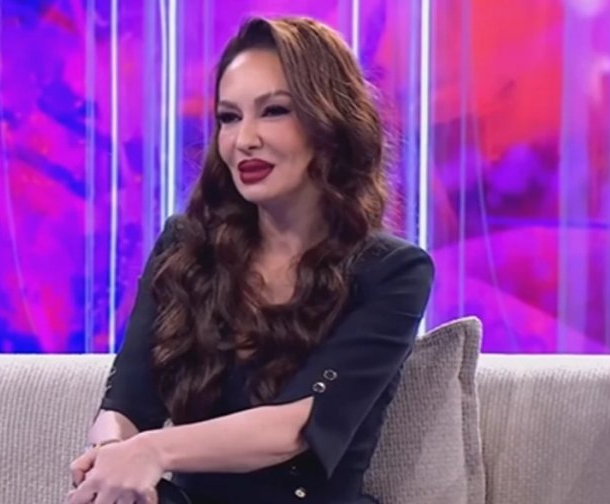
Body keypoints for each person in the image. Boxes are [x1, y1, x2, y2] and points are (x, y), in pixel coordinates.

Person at [68, 15, 434, 504]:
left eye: (274, 111)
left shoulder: (393, 272)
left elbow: (296, 427)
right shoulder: (185, 248)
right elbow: (126, 402)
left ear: (329, 125)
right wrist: (113, 454)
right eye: (229, 117)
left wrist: (153, 450)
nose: (244, 140)